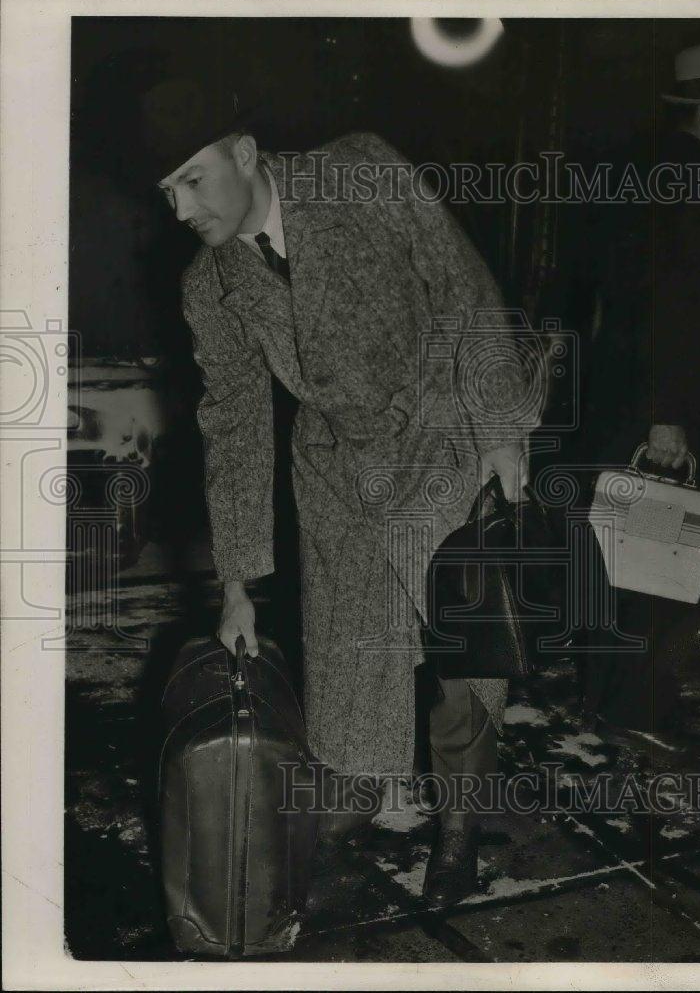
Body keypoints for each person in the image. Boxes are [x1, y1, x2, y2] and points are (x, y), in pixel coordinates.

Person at [138, 74, 535, 904]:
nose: (180, 209)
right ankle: (353, 796)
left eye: (192, 179)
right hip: (337, 466)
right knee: (353, 665)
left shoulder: (361, 172)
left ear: (244, 156)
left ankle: (458, 832)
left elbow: (463, 291)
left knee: (465, 654)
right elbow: (236, 425)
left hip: (440, 432)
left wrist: (500, 435)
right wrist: (238, 584)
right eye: (166, 190)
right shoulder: (209, 286)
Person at [578, 40, 700, 732]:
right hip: (660, 398)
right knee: (652, 555)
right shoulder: (692, 176)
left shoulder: (655, 166)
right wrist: (669, 415)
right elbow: (679, 299)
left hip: (633, 387)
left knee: (636, 550)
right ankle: (631, 703)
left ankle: (617, 693)